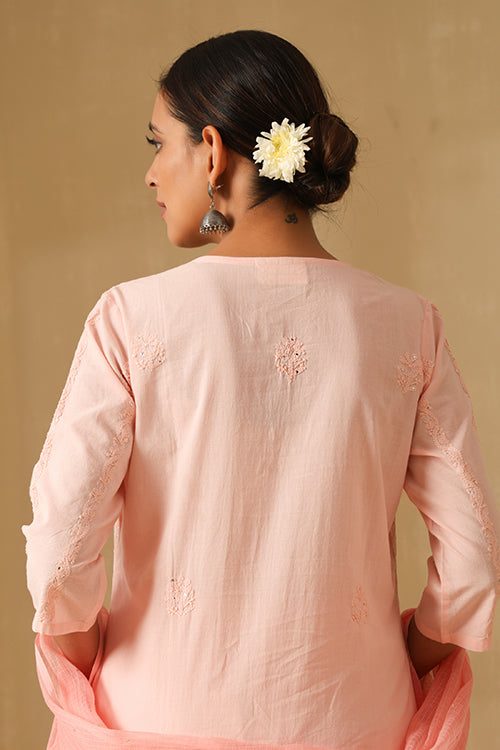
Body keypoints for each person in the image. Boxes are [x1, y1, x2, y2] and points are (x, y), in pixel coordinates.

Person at [23, 29, 499, 750]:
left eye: (159, 143)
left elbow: (59, 559)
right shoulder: (409, 326)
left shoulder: (130, 320)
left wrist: (103, 662)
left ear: (212, 152)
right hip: (356, 722)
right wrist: (399, 659)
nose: (151, 175)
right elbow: (473, 567)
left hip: (152, 721)